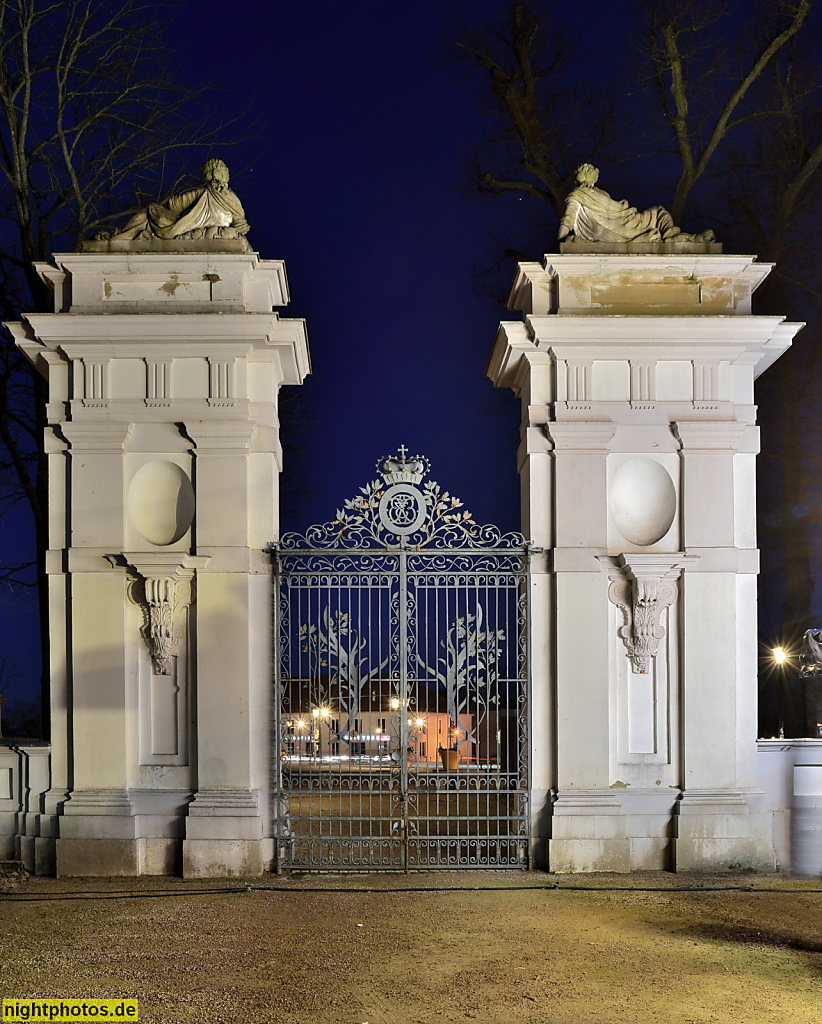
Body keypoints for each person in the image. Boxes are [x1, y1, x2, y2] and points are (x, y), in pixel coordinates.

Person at [558, 163, 714, 245]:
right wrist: (560, 245)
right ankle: (672, 236)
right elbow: (568, 220)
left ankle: (672, 237)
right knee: (659, 212)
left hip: (623, 223)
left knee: (658, 214)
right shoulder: (582, 195)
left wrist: (560, 243)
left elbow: (567, 221)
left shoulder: (579, 195)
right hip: (626, 225)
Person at [99, 158, 249, 241]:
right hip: (191, 230)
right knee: (150, 215)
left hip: (180, 229)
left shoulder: (203, 192)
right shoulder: (233, 199)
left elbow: (175, 205)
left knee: (150, 210)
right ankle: (120, 237)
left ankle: (118, 236)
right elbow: (241, 224)